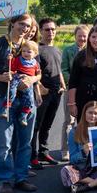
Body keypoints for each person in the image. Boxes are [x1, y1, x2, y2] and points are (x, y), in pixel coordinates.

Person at [0, 13, 39, 193]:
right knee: (4, 142)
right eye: (21, 24)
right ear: (12, 23)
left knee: (25, 142)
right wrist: (1, 77)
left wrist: (32, 79)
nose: (25, 28)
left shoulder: (29, 46)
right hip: (3, 99)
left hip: (27, 101)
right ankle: (4, 179)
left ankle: (21, 178)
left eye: (28, 26)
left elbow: (39, 72)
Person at [31, 18, 65, 169]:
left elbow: (59, 70)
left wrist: (63, 85)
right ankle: (32, 157)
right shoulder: (37, 50)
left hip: (56, 93)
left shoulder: (57, 49)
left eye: (53, 29)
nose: (51, 32)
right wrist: (39, 88)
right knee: (36, 126)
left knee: (47, 125)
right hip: (42, 94)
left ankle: (43, 152)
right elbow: (32, 71)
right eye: (47, 29)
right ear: (41, 31)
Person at [60, 25, 89, 162]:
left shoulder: (91, 50)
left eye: (85, 36)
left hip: (87, 91)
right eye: (80, 36)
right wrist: (73, 82)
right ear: (75, 36)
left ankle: (84, 148)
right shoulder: (68, 50)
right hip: (71, 89)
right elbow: (64, 69)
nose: (82, 38)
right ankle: (65, 149)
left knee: (85, 119)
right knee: (69, 121)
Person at [3, 40, 40, 126]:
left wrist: (37, 91)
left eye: (29, 51)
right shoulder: (18, 59)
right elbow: (12, 67)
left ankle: (23, 116)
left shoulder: (36, 64)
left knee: (30, 99)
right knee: (11, 91)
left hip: (28, 82)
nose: (25, 53)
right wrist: (10, 60)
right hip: (18, 77)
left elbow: (38, 75)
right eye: (23, 51)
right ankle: (5, 108)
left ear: (35, 54)